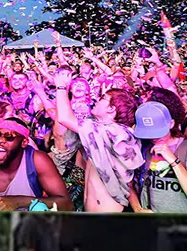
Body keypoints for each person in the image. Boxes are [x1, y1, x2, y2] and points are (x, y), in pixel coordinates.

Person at [51, 68, 144, 212]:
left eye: (102, 99)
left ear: (112, 109)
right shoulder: (100, 130)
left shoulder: (115, 133)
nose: (97, 100)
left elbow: (65, 118)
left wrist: (62, 86)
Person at [128, 101, 187, 213]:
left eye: (158, 132)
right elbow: (129, 184)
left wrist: (174, 161)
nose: (154, 137)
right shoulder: (143, 148)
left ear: (171, 123)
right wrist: (137, 208)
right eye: (148, 133)